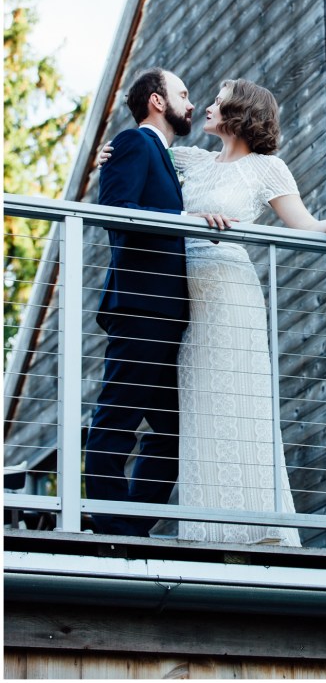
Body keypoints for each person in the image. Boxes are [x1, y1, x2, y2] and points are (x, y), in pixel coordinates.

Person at [99, 77, 326, 544]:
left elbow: (309, 227)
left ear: (241, 111)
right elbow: (134, 167)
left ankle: (249, 528)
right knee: (188, 412)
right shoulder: (188, 159)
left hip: (228, 291)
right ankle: (180, 527)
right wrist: (106, 155)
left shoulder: (267, 169)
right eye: (197, 99)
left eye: (216, 101)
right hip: (177, 296)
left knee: (233, 401)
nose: (204, 106)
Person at [85, 67, 195, 536]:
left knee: (171, 433)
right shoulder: (135, 144)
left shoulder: (168, 156)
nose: (191, 103)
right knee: (118, 417)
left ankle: (132, 526)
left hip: (166, 313)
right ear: (156, 100)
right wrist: (183, 223)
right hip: (142, 307)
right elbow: (117, 214)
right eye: (183, 94)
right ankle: (112, 526)